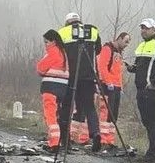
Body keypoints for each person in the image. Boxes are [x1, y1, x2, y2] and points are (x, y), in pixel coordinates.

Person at [128, 18, 155, 162]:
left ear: (154, 30)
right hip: (141, 90)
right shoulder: (140, 46)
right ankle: (151, 150)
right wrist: (131, 68)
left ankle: (154, 152)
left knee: (152, 121)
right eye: (142, 28)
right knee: (146, 120)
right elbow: (139, 67)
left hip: (153, 91)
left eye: (146, 28)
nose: (143, 30)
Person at [56, 12, 102, 152]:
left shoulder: (62, 33)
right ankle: (95, 133)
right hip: (88, 76)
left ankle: (65, 140)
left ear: (67, 22)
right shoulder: (92, 31)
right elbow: (98, 50)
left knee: (66, 108)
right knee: (89, 107)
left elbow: (59, 54)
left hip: (70, 76)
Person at [96, 31, 131, 153]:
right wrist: (108, 82)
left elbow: (118, 71)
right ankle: (103, 141)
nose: (126, 44)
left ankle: (110, 141)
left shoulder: (119, 52)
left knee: (113, 115)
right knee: (105, 113)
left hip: (116, 86)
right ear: (119, 39)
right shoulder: (107, 48)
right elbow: (102, 66)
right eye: (126, 41)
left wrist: (120, 86)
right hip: (107, 86)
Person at [36, 29, 69, 150]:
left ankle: (54, 142)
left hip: (51, 87)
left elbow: (40, 68)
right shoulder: (64, 53)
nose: (45, 45)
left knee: (50, 115)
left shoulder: (53, 52)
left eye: (46, 42)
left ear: (53, 41)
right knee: (57, 114)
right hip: (63, 88)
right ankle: (58, 140)